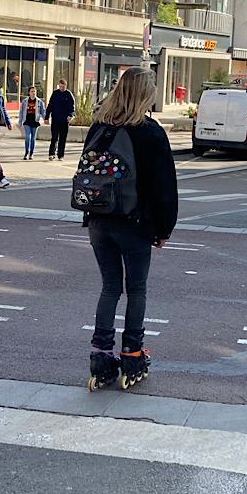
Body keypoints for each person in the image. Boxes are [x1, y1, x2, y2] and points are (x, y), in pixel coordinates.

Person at [83, 66, 177, 390]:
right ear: (145, 95)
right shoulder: (150, 132)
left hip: (98, 221)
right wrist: (164, 229)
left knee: (110, 288)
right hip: (134, 224)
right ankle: (132, 353)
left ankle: (100, 356)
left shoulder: (100, 126)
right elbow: (164, 188)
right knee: (136, 290)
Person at [46, 78, 75, 161]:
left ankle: (60, 155)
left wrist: (70, 115)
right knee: (54, 137)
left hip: (64, 120)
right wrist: (46, 117)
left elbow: (72, 107)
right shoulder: (55, 94)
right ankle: (51, 153)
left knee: (62, 138)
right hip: (55, 119)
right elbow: (50, 105)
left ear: (66, 86)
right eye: (60, 86)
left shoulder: (68, 94)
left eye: (63, 87)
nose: (61, 88)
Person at [17, 85, 45, 160]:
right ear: (29, 93)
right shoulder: (25, 101)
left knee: (33, 138)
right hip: (27, 121)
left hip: (35, 121)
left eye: (34, 91)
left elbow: (43, 111)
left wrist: (45, 119)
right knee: (28, 137)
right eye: (32, 91)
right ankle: (26, 152)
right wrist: (20, 121)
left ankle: (31, 153)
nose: (33, 93)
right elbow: (21, 112)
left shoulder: (39, 102)